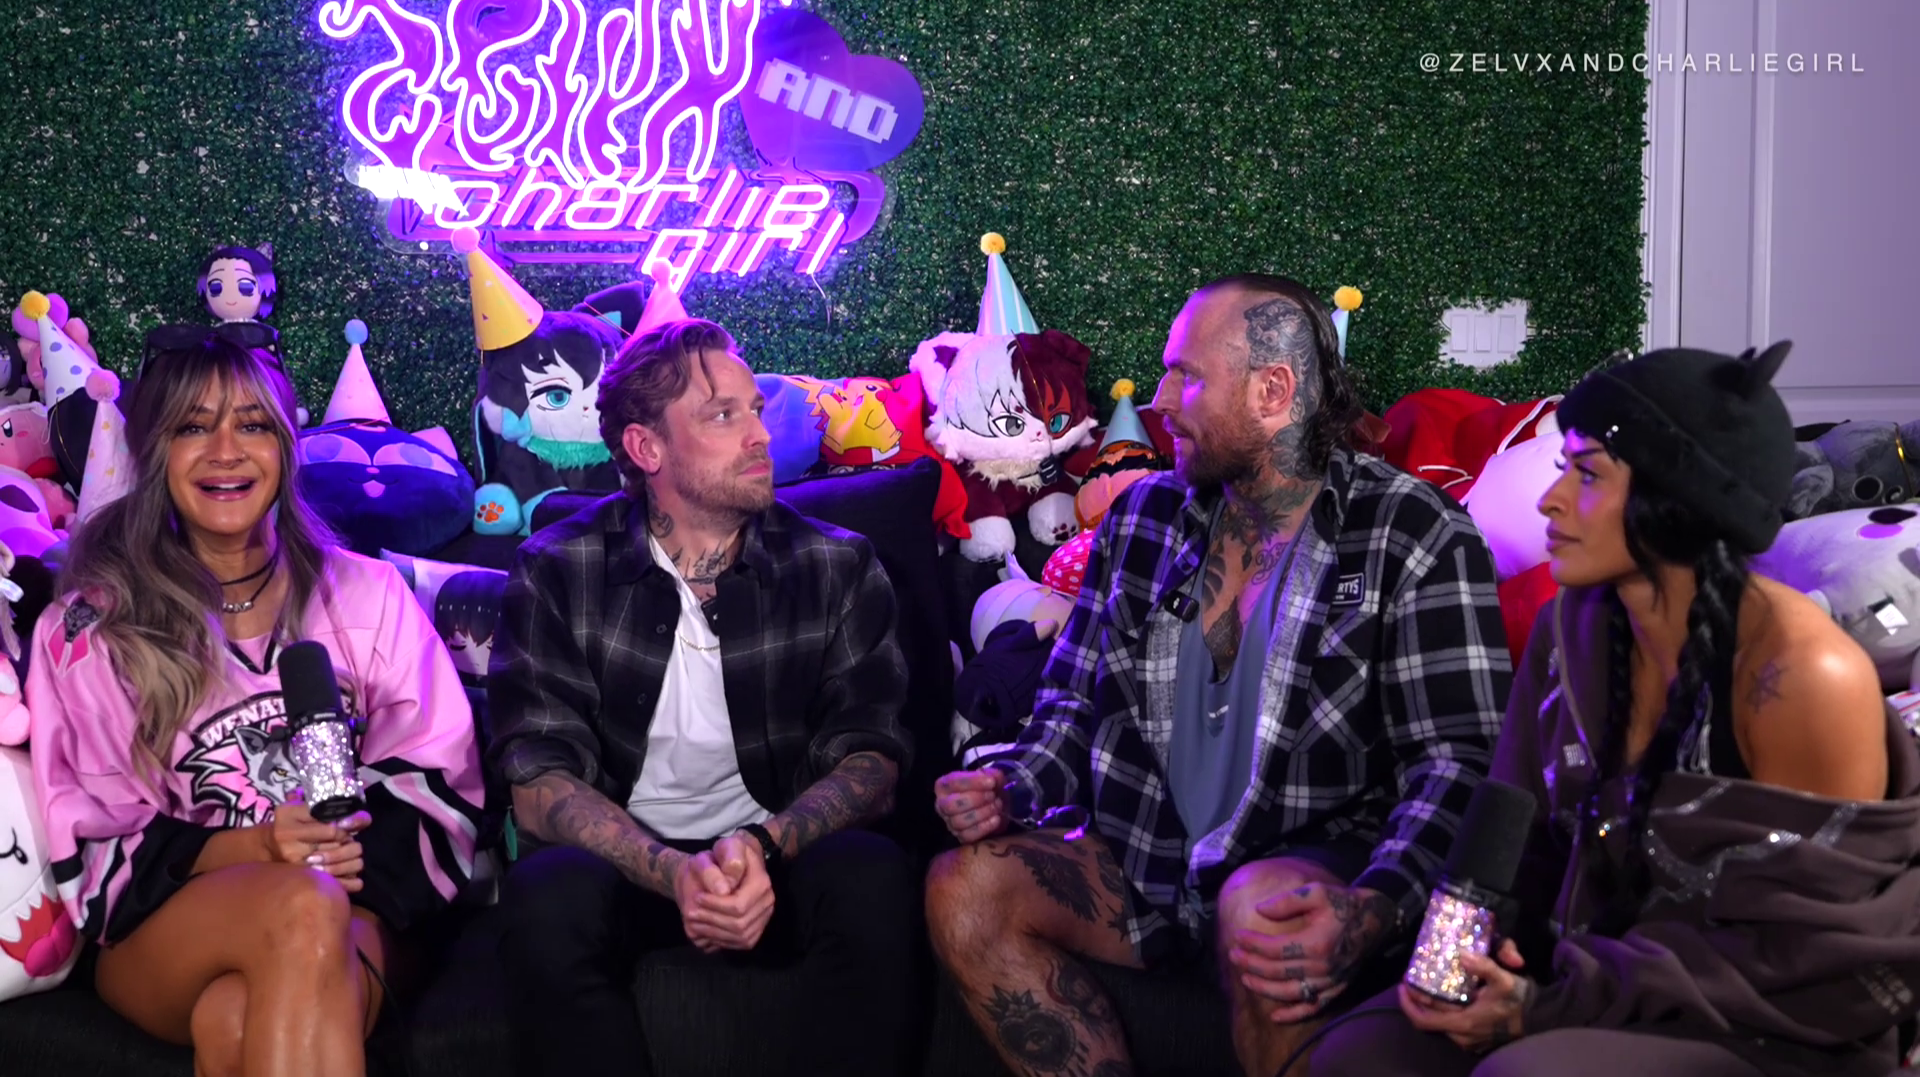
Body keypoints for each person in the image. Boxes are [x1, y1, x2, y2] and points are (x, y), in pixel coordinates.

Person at [926, 274, 1514, 1077]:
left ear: (1274, 392)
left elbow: (1457, 763)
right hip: (1145, 861)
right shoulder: (1141, 516)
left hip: (1307, 864)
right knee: (965, 892)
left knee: (1260, 912)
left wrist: (1376, 904)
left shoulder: (1413, 531)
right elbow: (1071, 697)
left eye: (1187, 377)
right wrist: (1012, 786)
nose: (1162, 400)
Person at [1311, 344, 1920, 1077]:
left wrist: (1542, 1010)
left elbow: (1803, 955)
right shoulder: (1569, 627)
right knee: (1359, 1051)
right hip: (1592, 973)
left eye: (1588, 474)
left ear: (1680, 501)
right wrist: (1457, 964)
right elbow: (1512, 829)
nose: (1550, 499)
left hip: (1773, 1021)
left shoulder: (1803, 674)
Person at [27, 330, 485, 1077]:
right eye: (193, 427)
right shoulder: (91, 630)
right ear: (154, 452)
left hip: (359, 905)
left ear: (287, 446)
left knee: (239, 1015)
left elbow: (441, 783)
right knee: (301, 905)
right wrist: (262, 849)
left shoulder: (368, 596)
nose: (226, 452)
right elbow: (98, 838)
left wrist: (334, 850)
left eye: (252, 425)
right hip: (169, 930)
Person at [487, 318, 918, 1077]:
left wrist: (764, 847)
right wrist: (672, 873)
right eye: (723, 415)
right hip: (628, 866)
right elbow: (538, 785)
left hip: (778, 856)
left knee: (871, 874)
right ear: (646, 448)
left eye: (755, 410)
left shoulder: (838, 565)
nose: (760, 435)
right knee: (545, 895)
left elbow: (871, 759)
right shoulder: (557, 568)